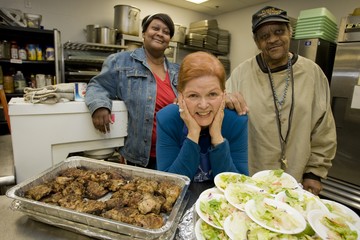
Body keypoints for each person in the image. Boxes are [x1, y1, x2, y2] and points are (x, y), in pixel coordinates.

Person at [225, 6, 337, 195]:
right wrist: (224, 98)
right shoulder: (241, 74)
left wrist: (315, 173)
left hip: (297, 178)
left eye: (279, 31)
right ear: (256, 41)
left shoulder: (312, 73)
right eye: (264, 36)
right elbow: (218, 107)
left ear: (290, 32)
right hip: (251, 178)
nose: (273, 39)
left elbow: (323, 128)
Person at [85, 13, 178, 169]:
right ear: (143, 33)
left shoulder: (177, 71)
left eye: (166, 32)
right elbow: (97, 85)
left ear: (169, 41)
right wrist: (100, 105)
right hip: (139, 156)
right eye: (155, 28)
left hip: (173, 152)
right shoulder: (120, 61)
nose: (160, 34)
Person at [156, 51, 248, 182]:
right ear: (180, 96)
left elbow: (239, 186)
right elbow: (168, 184)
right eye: (193, 95)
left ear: (224, 94)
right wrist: (193, 134)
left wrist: (217, 137)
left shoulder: (237, 121)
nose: (204, 105)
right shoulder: (167, 119)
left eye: (212, 94)